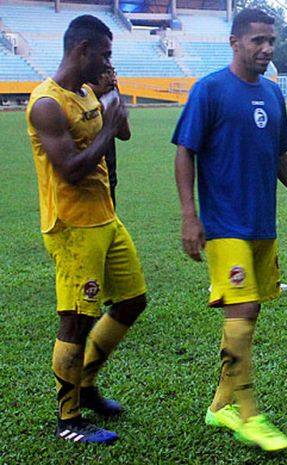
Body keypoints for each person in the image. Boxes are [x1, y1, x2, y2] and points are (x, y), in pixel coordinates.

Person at [171, 9, 287, 452]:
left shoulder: (274, 96)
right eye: (258, 40)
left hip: (262, 223)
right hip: (224, 225)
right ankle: (247, 413)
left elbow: (279, 155)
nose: (267, 49)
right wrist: (189, 214)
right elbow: (185, 153)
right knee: (240, 315)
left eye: (271, 41)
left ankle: (220, 404)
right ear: (235, 43)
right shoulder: (210, 90)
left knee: (250, 313)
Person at [27, 15, 147, 444]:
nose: (107, 61)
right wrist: (107, 130)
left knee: (132, 301)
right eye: (105, 54)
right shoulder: (47, 103)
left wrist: (112, 93)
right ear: (82, 49)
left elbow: (125, 133)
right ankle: (69, 418)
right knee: (76, 319)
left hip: (105, 218)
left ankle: (88, 382)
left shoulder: (86, 93)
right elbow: (72, 170)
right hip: (72, 226)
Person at [87, 65, 129, 207]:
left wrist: (116, 101)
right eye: (106, 73)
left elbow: (125, 134)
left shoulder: (110, 97)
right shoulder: (80, 103)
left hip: (109, 176)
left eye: (113, 72)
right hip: (88, 181)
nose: (112, 78)